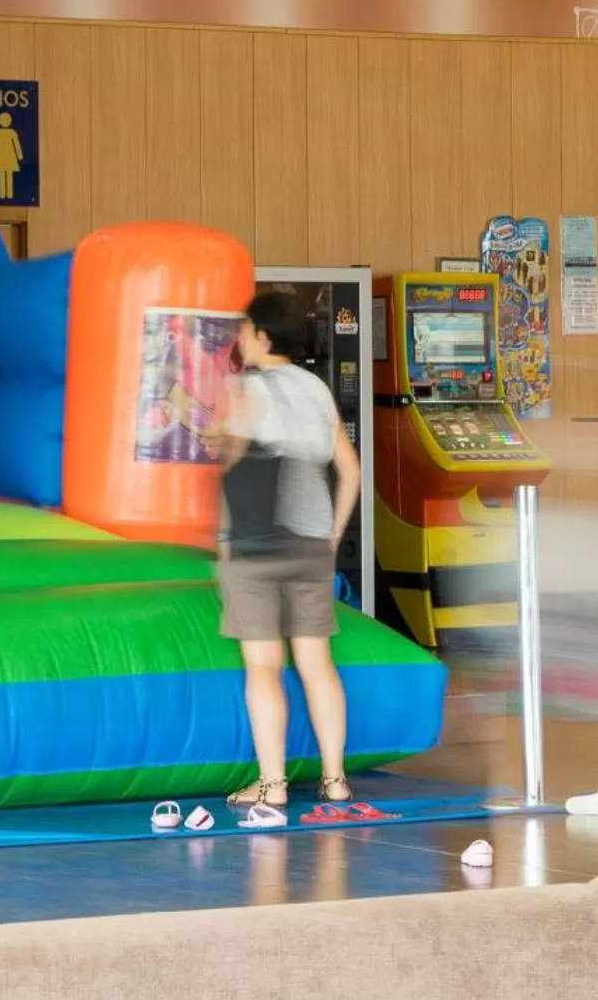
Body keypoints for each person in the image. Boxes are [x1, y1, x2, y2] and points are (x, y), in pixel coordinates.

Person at [218, 290, 363, 816]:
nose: (239, 339)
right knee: (317, 663)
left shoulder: (243, 388)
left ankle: (272, 785)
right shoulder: (317, 389)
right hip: (310, 543)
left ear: (262, 336)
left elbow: (231, 455)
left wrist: (193, 424)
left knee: (263, 666)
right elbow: (351, 471)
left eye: (244, 329)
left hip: (256, 545)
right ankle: (336, 780)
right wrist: (330, 534)